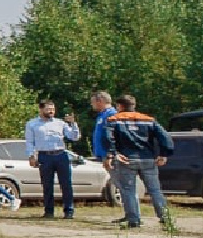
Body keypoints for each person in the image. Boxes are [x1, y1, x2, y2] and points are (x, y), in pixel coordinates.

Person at [99, 94, 174, 230]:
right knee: (155, 190)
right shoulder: (149, 120)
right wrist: (164, 154)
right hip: (148, 158)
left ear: (120, 106)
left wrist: (113, 154)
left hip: (126, 159)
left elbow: (107, 138)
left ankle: (134, 220)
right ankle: (165, 218)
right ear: (134, 105)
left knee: (129, 190)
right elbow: (165, 137)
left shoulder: (113, 119)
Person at [24, 99, 81, 219]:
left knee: (66, 184)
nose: (51, 111)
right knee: (47, 185)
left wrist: (73, 124)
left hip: (61, 155)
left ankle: (68, 211)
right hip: (44, 156)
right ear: (41, 109)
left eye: (53, 109)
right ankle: (49, 211)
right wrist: (31, 156)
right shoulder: (32, 124)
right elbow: (29, 141)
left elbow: (74, 137)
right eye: (48, 109)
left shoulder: (60, 123)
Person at [89, 90, 124, 223]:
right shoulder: (102, 115)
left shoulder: (111, 115)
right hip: (104, 155)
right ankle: (129, 213)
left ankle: (132, 214)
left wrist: (109, 155)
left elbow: (111, 137)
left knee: (121, 184)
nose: (92, 105)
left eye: (93, 102)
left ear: (100, 101)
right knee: (117, 183)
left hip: (111, 156)